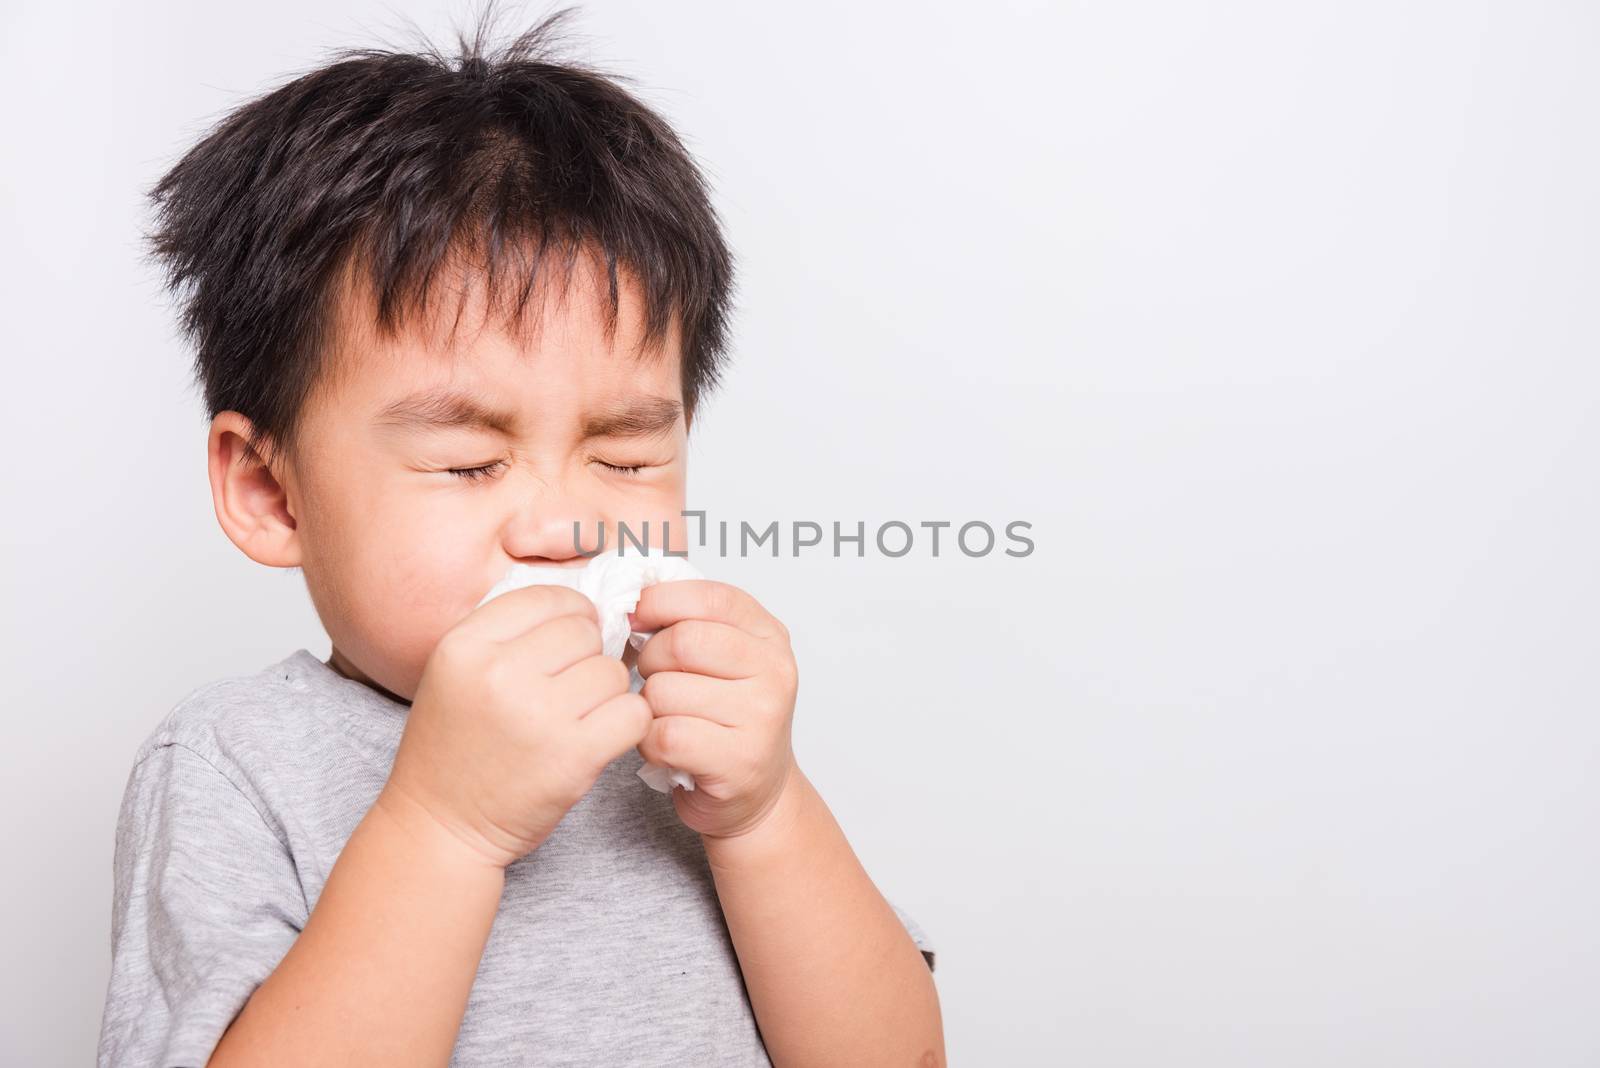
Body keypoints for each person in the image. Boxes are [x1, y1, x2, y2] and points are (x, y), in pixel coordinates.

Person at [96, 7, 942, 1066]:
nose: (560, 524)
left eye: (627, 459)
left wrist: (765, 814)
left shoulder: (680, 742)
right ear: (272, 494)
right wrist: (444, 827)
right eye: (467, 464)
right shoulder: (238, 762)